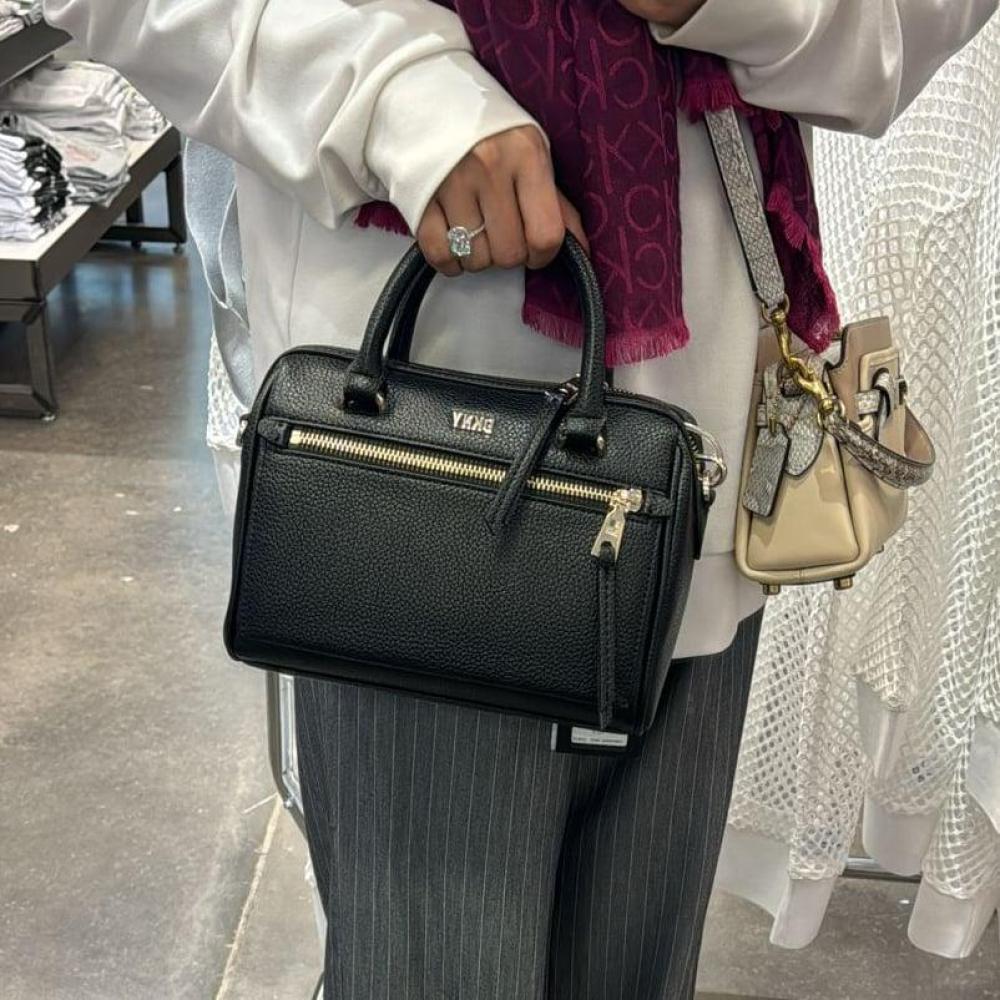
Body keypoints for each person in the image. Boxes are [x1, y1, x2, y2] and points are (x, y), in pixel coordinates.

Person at [43, 1, 997, 996]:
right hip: (412, 487)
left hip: (696, 475)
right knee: (430, 970)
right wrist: (391, 93)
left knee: (637, 967)